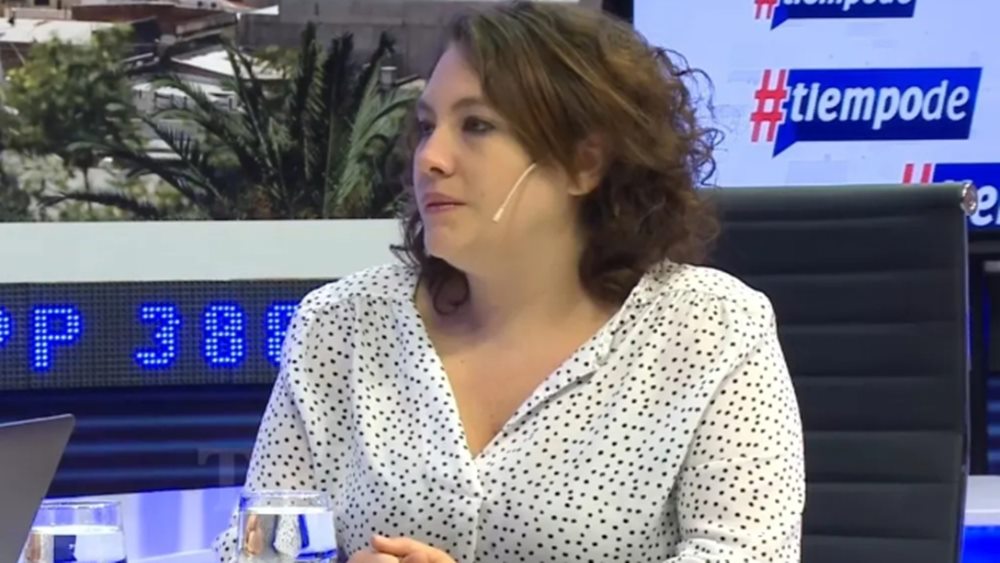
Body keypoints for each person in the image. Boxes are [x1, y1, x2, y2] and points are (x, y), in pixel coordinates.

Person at [213, 2, 805, 562]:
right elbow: (256, 545)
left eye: (476, 125)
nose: (430, 158)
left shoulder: (711, 328)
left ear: (585, 164)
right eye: (426, 126)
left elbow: (747, 554)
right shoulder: (341, 324)